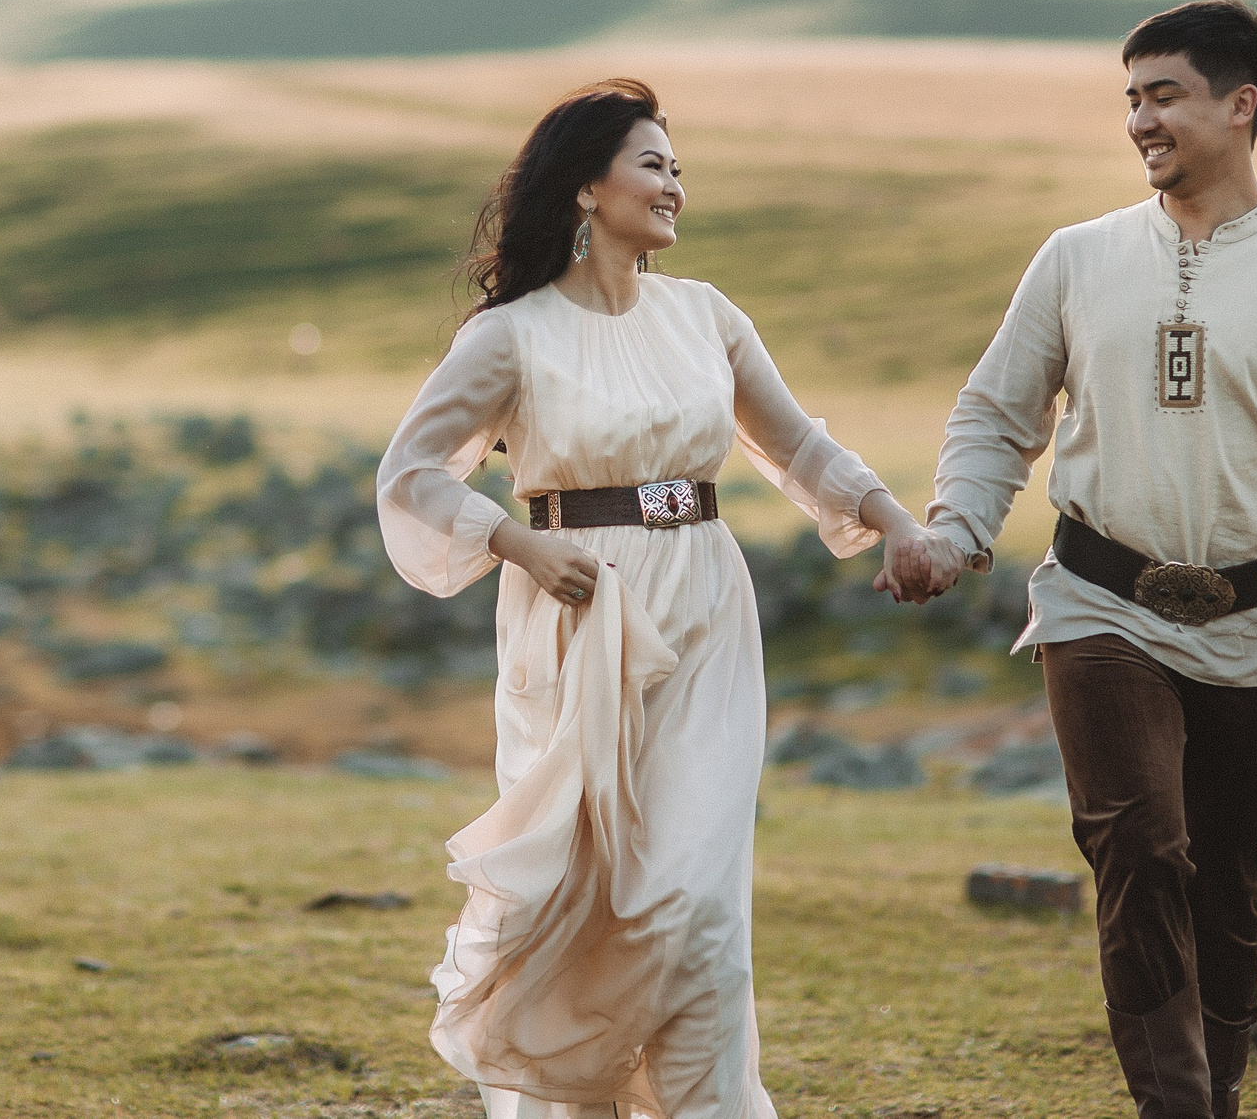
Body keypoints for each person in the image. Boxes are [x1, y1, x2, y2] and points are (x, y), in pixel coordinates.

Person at [376, 78, 964, 1119]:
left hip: (702, 608)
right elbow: (413, 473)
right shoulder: (511, 335)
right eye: (653, 164)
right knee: (591, 894)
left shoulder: (706, 316)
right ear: (585, 189)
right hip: (576, 619)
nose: (675, 187)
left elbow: (796, 443)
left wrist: (895, 521)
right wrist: (514, 542)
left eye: (678, 167)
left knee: (693, 899)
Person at [884, 0, 1257, 1119]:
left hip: (1254, 620)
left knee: (1228, 886)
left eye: (1162, 94)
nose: (1138, 119)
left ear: (1242, 105)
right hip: (1096, 604)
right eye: (1129, 97)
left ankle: (1214, 1095)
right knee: (1139, 849)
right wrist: (957, 529)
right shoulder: (1076, 258)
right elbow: (995, 413)